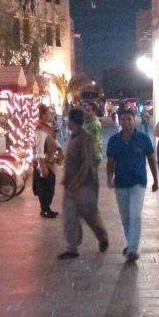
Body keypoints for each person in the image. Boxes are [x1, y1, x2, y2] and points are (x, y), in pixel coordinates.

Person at [106, 107, 159, 263]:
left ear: (134, 120)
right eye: (123, 119)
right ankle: (130, 244)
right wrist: (109, 178)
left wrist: (156, 179)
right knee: (125, 216)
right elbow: (110, 162)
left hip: (138, 181)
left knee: (135, 214)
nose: (126, 122)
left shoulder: (143, 139)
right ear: (120, 121)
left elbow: (150, 159)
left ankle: (133, 249)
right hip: (121, 182)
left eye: (129, 119)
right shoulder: (114, 140)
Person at [57, 108, 109, 260]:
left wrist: (78, 180)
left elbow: (87, 162)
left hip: (85, 185)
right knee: (70, 215)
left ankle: (102, 237)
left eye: (68, 119)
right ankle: (72, 247)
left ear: (72, 121)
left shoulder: (85, 138)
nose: (66, 121)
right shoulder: (73, 137)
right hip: (71, 185)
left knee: (90, 214)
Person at [34, 104, 61, 219]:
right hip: (45, 163)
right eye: (49, 113)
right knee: (46, 187)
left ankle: (46, 208)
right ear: (43, 116)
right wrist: (42, 166)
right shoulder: (40, 130)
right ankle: (45, 209)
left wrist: (59, 148)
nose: (52, 115)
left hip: (50, 161)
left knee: (49, 186)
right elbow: (39, 149)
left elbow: (52, 141)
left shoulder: (48, 128)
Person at [82, 100, 103, 176]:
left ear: (94, 112)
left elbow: (95, 141)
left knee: (90, 179)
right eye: (85, 109)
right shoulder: (87, 121)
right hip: (87, 155)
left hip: (93, 156)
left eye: (88, 110)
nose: (85, 112)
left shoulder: (95, 124)